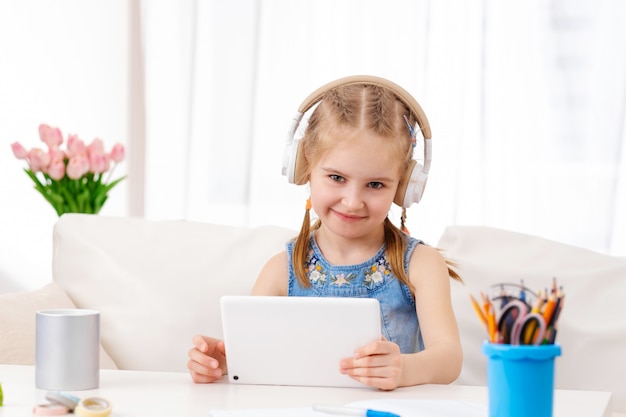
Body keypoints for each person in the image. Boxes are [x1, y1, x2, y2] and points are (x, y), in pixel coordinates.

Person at [187, 75, 463, 390]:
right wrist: (227, 363)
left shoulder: (421, 265)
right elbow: (256, 359)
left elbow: (449, 358)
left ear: (404, 187)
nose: (353, 201)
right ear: (303, 167)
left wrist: (405, 369)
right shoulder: (280, 272)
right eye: (336, 177)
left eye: (375, 184)